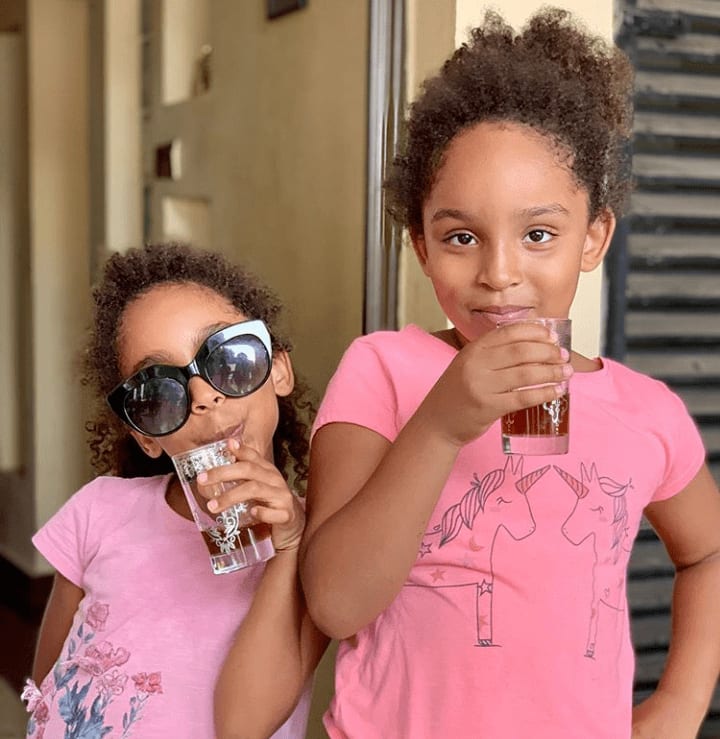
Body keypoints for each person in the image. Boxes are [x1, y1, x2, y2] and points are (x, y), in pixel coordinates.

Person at [296, 8, 720, 739]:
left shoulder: (646, 412)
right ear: (421, 246)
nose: (499, 272)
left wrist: (679, 705)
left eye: (538, 233)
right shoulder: (383, 372)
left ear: (594, 238)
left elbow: (707, 551)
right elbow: (334, 604)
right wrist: (439, 426)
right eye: (462, 236)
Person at [21, 242, 328, 738]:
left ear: (278, 369)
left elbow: (245, 726)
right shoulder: (99, 511)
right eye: (160, 390)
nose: (204, 396)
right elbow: (47, 687)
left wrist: (288, 545)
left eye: (227, 360)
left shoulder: (319, 542)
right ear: (144, 435)